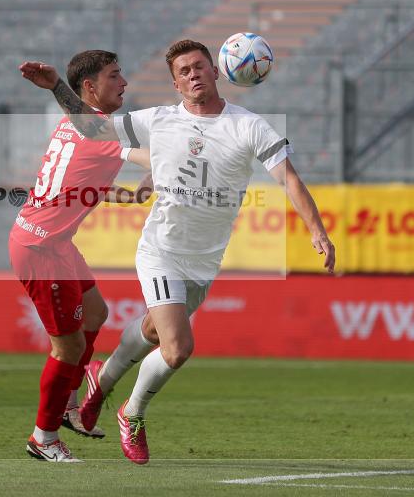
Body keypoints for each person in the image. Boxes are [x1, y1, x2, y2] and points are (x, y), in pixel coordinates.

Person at [19, 39, 335, 465]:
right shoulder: (159, 119)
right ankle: (132, 415)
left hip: (205, 258)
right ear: (175, 83)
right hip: (160, 249)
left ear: (217, 71)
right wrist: (57, 85)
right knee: (177, 348)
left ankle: (99, 382)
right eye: (184, 71)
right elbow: (92, 129)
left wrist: (317, 230)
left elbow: (289, 180)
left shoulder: (249, 125)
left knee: (153, 330)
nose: (193, 74)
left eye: (199, 67)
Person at [10, 50, 152, 463]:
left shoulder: (82, 124)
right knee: (67, 348)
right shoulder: (97, 130)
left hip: (55, 243)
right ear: (90, 87)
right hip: (40, 248)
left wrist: (130, 194)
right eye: (114, 75)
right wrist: (177, 156)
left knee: (94, 313)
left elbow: (79, 183)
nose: (124, 82)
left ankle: (70, 406)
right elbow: (138, 156)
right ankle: (44, 437)